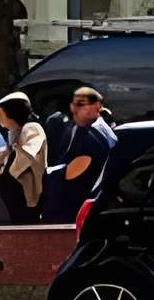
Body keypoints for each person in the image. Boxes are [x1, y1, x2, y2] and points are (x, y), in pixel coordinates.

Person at [42, 88, 113, 222]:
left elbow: (78, 168)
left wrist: (52, 176)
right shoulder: (85, 129)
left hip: (78, 203)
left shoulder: (88, 135)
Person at [0, 93, 49, 221]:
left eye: (1, 114)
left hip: (24, 193)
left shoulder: (32, 127)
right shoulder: (17, 131)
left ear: (12, 114)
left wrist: (12, 172)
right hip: (16, 194)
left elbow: (30, 152)